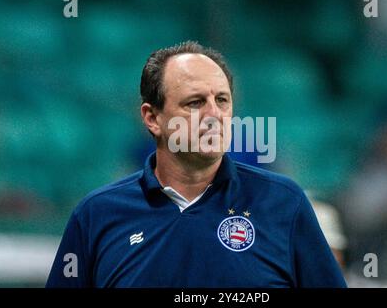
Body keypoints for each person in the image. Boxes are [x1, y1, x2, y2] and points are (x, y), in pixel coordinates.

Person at [46, 41, 346, 288]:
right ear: (153, 118)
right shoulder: (96, 214)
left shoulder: (285, 203)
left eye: (222, 100)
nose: (214, 114)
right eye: (195, 103)